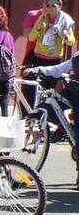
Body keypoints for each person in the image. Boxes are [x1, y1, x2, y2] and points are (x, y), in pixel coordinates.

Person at [23, 55, 79, 185]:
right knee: (46, 109)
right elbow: (58, 69)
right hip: (73, 92)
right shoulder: (76, 58)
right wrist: (38, 70)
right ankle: (62, 128)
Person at [24, 0, 75, 69]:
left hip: (56, 59)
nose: (50, 8)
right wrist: (37, 29)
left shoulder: (66, 20)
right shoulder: (42, 18)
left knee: (54, 80)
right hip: (39, 57)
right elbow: (31, 38)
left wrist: (66, 36)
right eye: (48, 6)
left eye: (53, 6)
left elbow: (71, 42)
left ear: (59, 6)